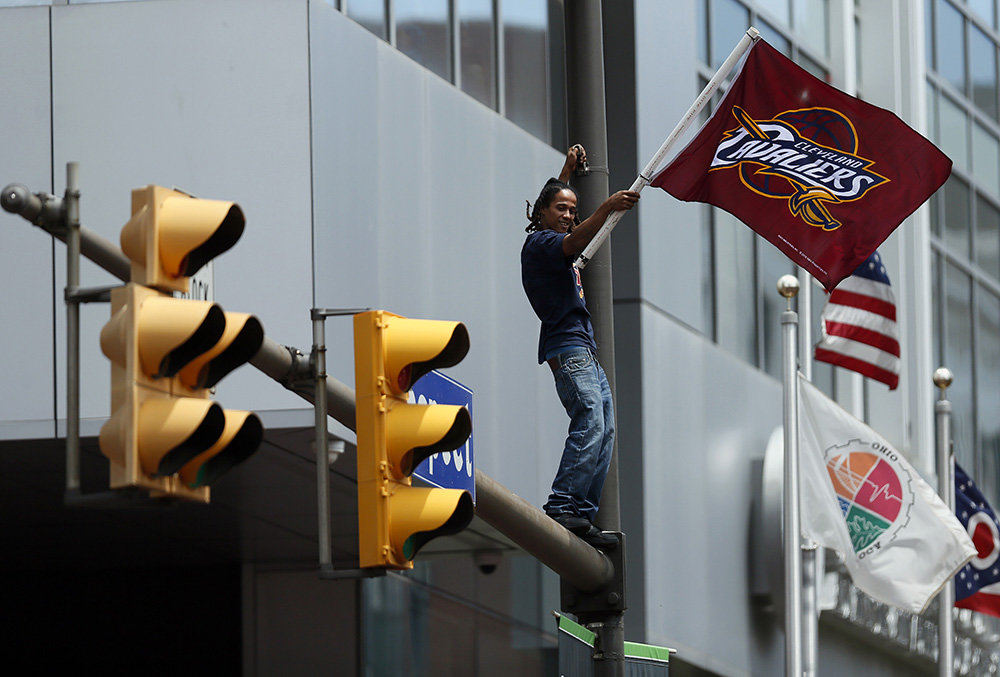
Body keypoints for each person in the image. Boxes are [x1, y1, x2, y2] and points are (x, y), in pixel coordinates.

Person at [520, 144, 640, 548]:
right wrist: (606, 207)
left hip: (582, 351)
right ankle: (562, 504)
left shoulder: (551, 236)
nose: (569, 215)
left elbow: (556, 199)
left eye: (573, 210)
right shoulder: (541, 245)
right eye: (562, 210)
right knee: (589, 417)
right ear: (542, 213)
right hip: (568, 349)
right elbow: (571, 240)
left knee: (604, 428)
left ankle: (581, 515)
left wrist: (568, 171)